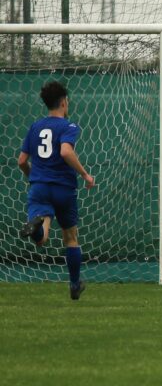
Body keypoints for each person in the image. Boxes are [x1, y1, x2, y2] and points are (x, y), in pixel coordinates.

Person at [18, 81, 95, 300]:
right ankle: (74, 285)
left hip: (40, 187)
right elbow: (65, 152)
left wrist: (33, 176)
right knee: (70, 237)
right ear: (63, 102)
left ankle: (37, 228)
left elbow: (22, 161)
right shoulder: (68, 127)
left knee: (41, 239)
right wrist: (85, 174)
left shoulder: (35, 127)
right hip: (64, 188)